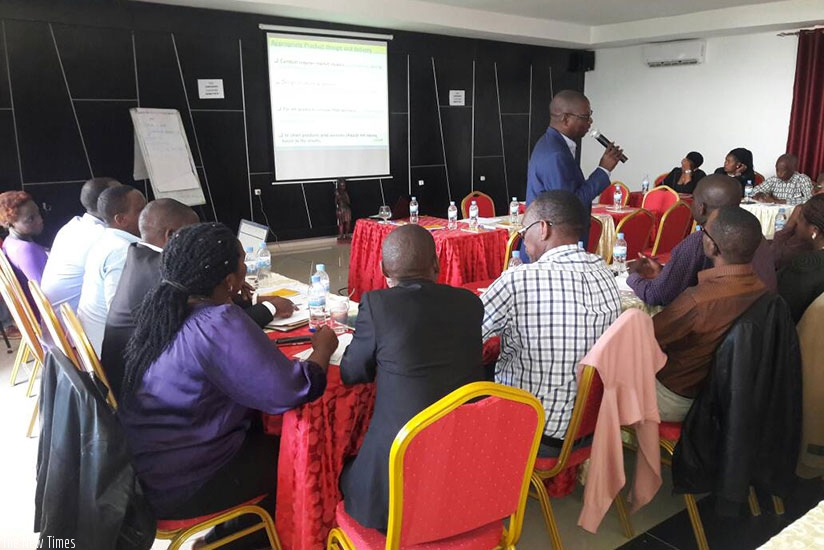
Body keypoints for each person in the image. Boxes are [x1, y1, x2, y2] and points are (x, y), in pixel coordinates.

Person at [117, 222, 337, 548]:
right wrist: (323, 349)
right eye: (243, 261)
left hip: (148, 467)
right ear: (230, 280)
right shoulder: (217, 322)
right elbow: (292, 390)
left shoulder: (166, 306)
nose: (246, 267)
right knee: (307, 456)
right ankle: (245, 540)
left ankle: (228, 535)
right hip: (186, 482)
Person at [338, 224, 485, 531]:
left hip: (393, 485)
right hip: (462, 470)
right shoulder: (471, 304)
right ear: (437, 264)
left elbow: (352, 372)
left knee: (342, 471)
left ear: (383, 270)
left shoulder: (377, 304)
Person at [101, 199, 296, 397]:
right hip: (143, 389)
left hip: (142, 380)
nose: (202, 242)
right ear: (172, 235)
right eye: (195, 235)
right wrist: (269, 308)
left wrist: (249, 299)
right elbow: (217, 331)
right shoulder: (167, 274)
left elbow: (204, 302)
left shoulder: (141, 256)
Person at [481, 190, 621, 451]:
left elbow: (465, 336)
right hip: (590, 427)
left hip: (533, 431)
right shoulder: (603, 271)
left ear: (543, 229)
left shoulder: (519, 279)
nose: (523, 241)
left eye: (524, 233)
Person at [653, 206, 768, 421]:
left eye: (703, 230)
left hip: (677, 398)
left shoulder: (699, 299)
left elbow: (649, 337)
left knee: (609, 372)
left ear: (712, 245)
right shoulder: (762, 289)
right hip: (726, 396)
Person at [627, 174, 776, 306]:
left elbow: (656, 295)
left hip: (715, 323)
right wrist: (666, 272)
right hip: (757, 318)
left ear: (700, 208)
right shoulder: (753, 234)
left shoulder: (702, 241)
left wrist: (633, 275)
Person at [526, 90, 623, 241]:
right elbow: (569, 205)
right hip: (552, 243)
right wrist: (603, 169)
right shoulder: (555, 154)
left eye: (590, 115)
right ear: (565, 119)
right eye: (585, 117)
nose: (590, 121)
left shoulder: (553, 143)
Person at [77, 185, 146, 354]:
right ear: (121, 219)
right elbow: (121, 314)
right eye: (141, 210)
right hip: (112, 351)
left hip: (96, 340)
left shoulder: (106, 240)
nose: (148, 213)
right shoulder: (122, 251)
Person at [41, 177, 120, 311]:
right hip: (73, 320)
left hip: (57, 317)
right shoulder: (101, 236)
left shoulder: (74, 225)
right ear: (108, 204)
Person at [776, 195, 824, 322]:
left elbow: (782, 313)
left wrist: (787, 228)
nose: (796, 222)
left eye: (800, 218)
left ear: (814, 230)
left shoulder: (804, 265)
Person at [0, 191, 48, 310]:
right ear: (9, 224)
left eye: (38, 213)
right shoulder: (26, 250)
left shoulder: (9, 242)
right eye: (30, 219)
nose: (39, 220)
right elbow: (46, 291)